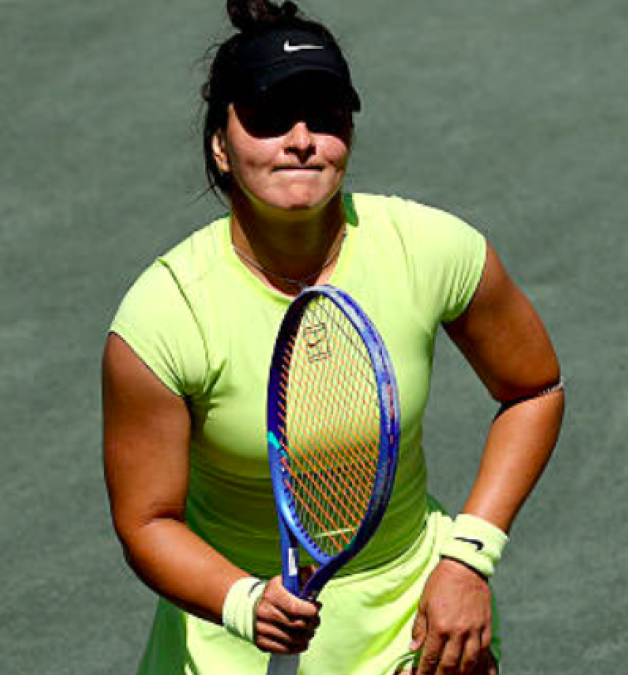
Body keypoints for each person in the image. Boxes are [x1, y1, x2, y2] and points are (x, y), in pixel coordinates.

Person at [102, 1, 565, 673]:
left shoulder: (429, 248)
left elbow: (534, 387)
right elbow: (147, 520)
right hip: (230, 638)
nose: (301, 138)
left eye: (325, 116)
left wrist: (468, 557)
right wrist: (242, 600)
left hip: (417, 623)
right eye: (268, 117)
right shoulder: (166, 315)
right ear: (219, 144)